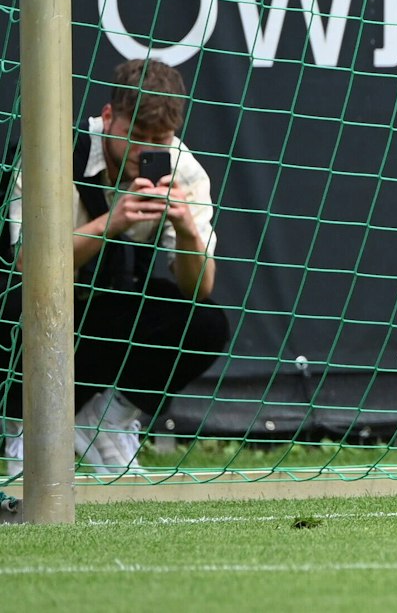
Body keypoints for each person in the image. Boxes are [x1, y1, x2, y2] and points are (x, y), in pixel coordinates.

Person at [2, 58, 229, 478]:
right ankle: (21, 427)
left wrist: (186, 233)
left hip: (101, 315)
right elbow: (26, 266)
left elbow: (199, 287)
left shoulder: (184, 170)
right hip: (23, 316)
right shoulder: (50, 152)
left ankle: (105, 422)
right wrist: (111, 222)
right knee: (21, 302)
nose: (146, 152)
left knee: (205, 323)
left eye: (159, 140)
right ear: (108, 117)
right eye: (136, 136)